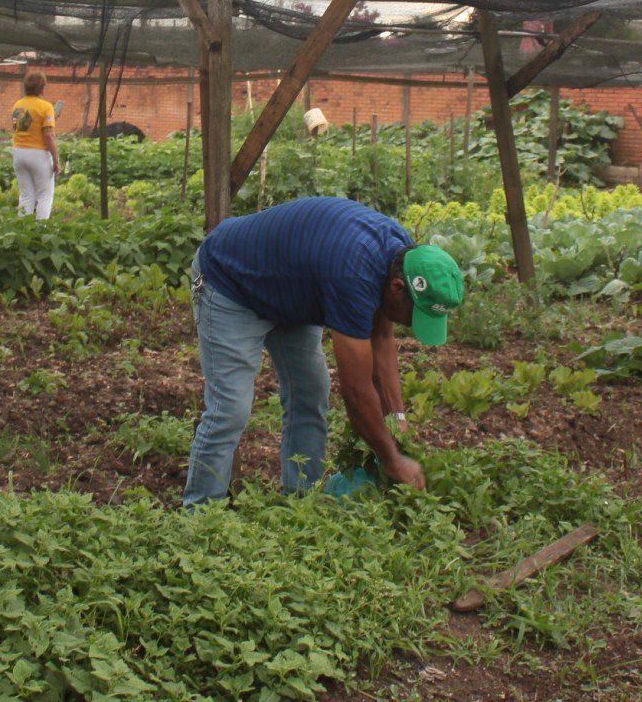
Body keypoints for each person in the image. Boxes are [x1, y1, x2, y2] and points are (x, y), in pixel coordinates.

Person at [182, 196, 466, 507]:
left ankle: (300, 502)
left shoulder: (402, 258)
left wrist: (396, 416)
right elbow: (357, 391)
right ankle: (199, 515)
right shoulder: (353, 275)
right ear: (397, 289)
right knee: (230, 408)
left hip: (289, 289)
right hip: (231, 281)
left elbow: (382, 336)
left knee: (311, 392)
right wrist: (392, 459)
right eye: (416, 316)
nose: (413, 325)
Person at [9, 71, 61, 219]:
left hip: (19, 152)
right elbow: (49, 135)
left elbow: (24, 125)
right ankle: (41, 231)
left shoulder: (17, 105)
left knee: (26, 195)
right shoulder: (46, 107)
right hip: (38, 154)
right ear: (42, 88)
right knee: (45, 196)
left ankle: (22, 230)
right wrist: (56, 161)